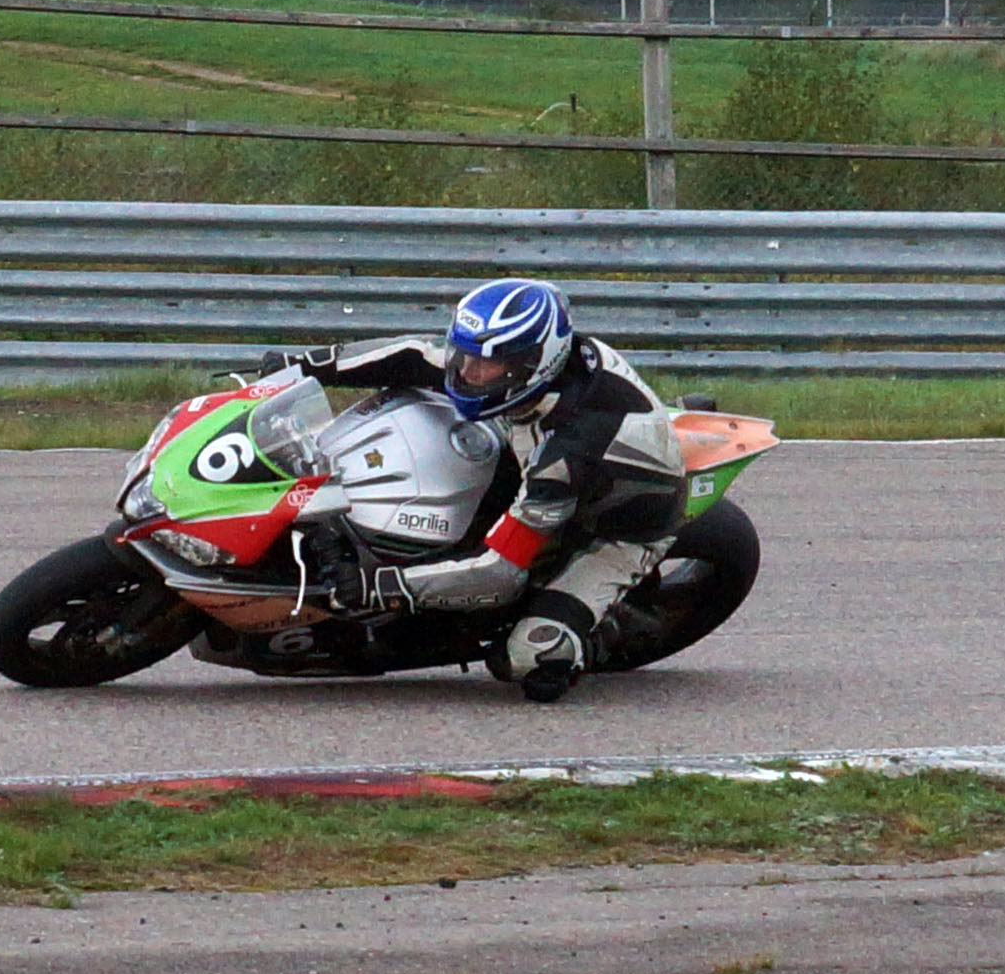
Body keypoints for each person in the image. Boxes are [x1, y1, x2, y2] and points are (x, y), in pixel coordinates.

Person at [260, 277, 688, 703]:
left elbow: (501, 571)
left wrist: (383, 586)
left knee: (528, 657)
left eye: (488, 366)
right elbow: (413, 354)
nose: (468, 373)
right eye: (465, 356)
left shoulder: (567, 456)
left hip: (610, 531)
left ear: (532, 364)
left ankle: (597, 637)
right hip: (529, 445)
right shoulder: (527, 370)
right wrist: (301, 367)